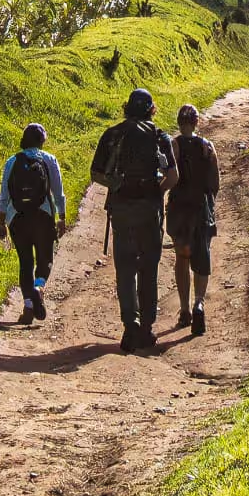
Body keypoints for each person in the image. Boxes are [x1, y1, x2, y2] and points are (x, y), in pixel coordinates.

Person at [85, 87, 173, 352]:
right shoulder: (159, 136)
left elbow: (95, 173)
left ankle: (130, 324)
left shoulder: (113, 134)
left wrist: (117, 183)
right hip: (150, 208)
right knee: (149, 268)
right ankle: (146, 328)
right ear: (150, 110)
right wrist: (157, 190)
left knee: (125, 268)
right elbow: (174, 176)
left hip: (122, 208)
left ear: (127, 108)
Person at [0, 122, 66, 324]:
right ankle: (39, 287)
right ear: (42, 141)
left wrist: (2, 222)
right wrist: (61, 217)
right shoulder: (49, 159)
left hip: (17, 217)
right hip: (43, 216)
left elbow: (4, 195)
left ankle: (28, 306)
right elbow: (58, 193)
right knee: (45, 259)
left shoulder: (12, 161)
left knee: (25, 261)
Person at [162, 100, 219, 338]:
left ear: (178, 122)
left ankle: (184, 308)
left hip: (179, 210)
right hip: (200, 208)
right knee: (202, 255)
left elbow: (167, 175)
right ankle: (199, 303)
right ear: (197, 122)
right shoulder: (208, 147)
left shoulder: (173, 146)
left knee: (182, 258)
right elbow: (215, 183)